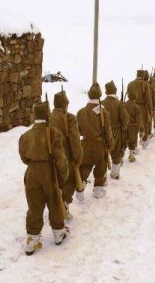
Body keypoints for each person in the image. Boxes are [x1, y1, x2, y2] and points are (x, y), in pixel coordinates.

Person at [19, 101, 69, 255]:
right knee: (54, 200)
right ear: (47, 115)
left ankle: (32, 240)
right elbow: (60, 157)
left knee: (34, 205)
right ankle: (58, 232)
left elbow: (24, 157)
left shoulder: (25, 136)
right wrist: (63, 174)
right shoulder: (54, 133)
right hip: (48, 170)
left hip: (32, 172)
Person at [76, 83, 114, 199]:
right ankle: (98, 189)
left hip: (85, 144)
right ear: (100, 95)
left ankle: (80, 187)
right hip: (99, 144)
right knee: (101, 165)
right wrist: (110, 144)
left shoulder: (81, 112)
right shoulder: (104, 112)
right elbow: (107, 131)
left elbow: (79, 131)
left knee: (85, 166)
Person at [49, 90, 82, 220]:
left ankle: (57, 206)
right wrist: (78, 158)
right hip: (66, 156)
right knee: (71, 180)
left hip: (50, 158)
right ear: (65, 104)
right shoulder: (70, 118)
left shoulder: (48, 118)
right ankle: (64, 206)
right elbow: (75, 139)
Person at [102, 81, 129, 179]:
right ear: (116, 91)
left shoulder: (101, 104)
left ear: (106, 92)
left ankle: (102, 175)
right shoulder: (119, 104)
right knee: (117, 152)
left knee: (103, 153)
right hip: (116, 132)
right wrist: (123, 130)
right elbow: (125, 119)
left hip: (103, 132)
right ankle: (115, 173)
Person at [127, 70, 152, 149]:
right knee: (144, 124)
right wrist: (150, 109)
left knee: (133, 126)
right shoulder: (145, 84)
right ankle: (144, 142)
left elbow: (128, 95)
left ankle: (134, 146)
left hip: (131, 106)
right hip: (142, 107)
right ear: (143, 76)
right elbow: (148, 98)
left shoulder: (130, 84)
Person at [124, 91, 145, 162]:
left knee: (123, 141)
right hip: (133, 127)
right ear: (135, 98)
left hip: (124, 126)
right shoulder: (137, 107)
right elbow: (139, 120)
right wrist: (142, 130)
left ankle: (120, 157)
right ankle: (131, 155)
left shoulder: (123, 105)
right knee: (132, 141)